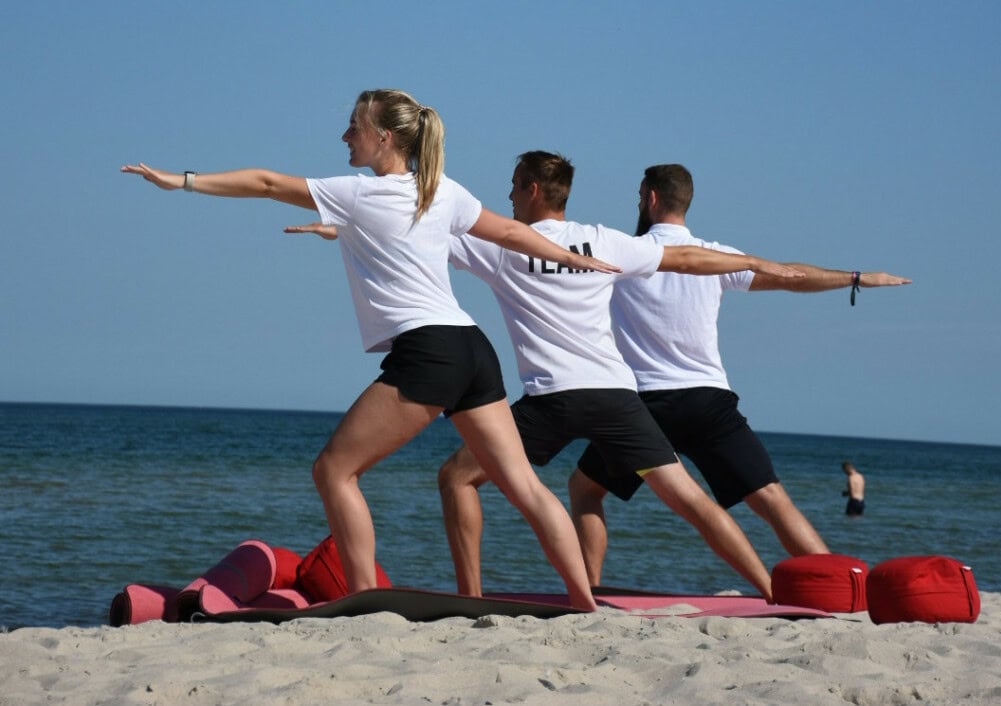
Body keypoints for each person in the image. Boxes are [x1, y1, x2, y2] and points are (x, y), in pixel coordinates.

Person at [121, 89, 631, 611]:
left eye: (353, 127)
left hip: (429, 350)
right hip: (471, 348)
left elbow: (268, 183)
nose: (345, 137)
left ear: (383, 137)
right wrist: (573, 258)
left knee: (334, 471)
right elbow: (508, 232)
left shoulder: (359, 193)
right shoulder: (439, 190)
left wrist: (181, 180)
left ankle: (363, 603)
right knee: (524, 484)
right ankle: (583, 606)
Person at [431, 150, 808, 601]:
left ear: (533, 189)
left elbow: (419, 235)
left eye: (514, 184)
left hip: (552, 401)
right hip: (616, 399)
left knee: (457, 477)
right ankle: (769, 591)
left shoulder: (501, 245)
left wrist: (348, 226)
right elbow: (687, 259)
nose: (509, 194)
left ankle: (470, 599)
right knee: (690, 501)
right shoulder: (602, 240)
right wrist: (753, 261)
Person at [569, 163, 909, 585]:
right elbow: (791, 277)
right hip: (708, 402)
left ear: (652, 198)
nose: (638, 203)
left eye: (640, 196)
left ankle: (587, 592)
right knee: (771, 499)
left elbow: (557, 263)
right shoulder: (717, 258)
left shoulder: (624, 255)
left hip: (645, 409)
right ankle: (842, 586)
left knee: (585, 490)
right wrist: (855, 278)